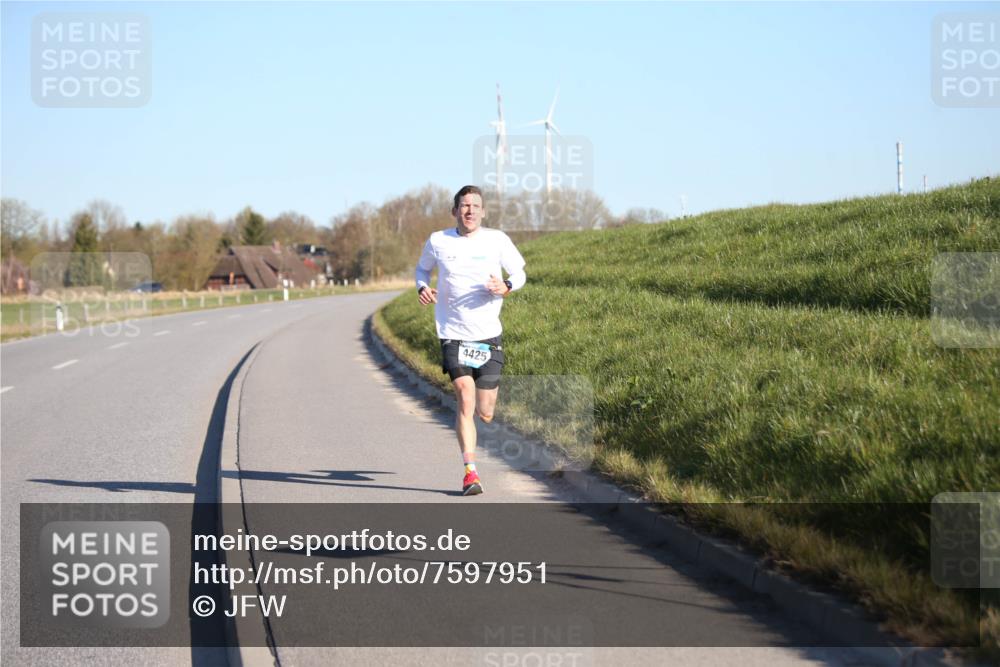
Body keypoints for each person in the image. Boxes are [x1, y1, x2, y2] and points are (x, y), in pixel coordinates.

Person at [415, 185, 526, 495]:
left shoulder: (497, 239)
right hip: (453, 333)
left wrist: (506, 285)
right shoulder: (438, 240)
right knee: (465, 396)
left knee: (486, 411)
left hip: (488, 335)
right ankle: (470, 473)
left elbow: (519, 272)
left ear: (483, 211)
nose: (470, 211)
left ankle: (485, 408)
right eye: (464, 206)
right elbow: (421, 270)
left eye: (476, 206)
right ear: (455, 211)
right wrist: (421, 287)